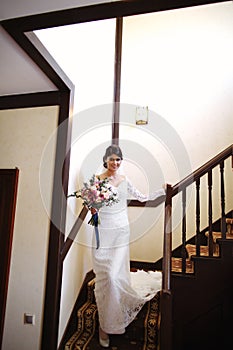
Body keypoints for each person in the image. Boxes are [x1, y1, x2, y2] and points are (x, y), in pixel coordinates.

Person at [91, 144, 166, 348]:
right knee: (106, 278)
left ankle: (106, 327)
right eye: (112, 159)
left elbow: (142, 197)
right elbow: (92, 208)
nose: (115, 163)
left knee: (115, 277)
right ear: (105, 159)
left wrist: (162, 191)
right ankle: (105, 323)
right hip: (103, 231)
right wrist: (94, 203)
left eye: (118, 160)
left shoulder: (124, 180)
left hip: (121, 232)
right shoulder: (97, 180)